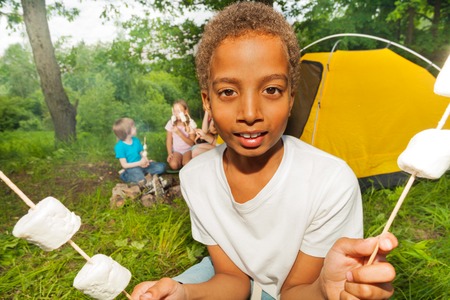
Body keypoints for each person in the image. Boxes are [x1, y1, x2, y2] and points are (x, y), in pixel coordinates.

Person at [132, 2, 398, 300]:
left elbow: (295, 293)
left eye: (271, 89)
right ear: (207, 102)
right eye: (228, 92)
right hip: (231, 281)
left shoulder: (330, 182)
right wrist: (185, 295)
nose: (249, 113)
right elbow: (233, 280)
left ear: (291, 99)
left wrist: (324, 290)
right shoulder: (196, 177)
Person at [113, 117, 166, 187]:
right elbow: (124, 165)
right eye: (133, 127)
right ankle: (124, 175)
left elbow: (141, 153)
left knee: (161, 167)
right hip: (132, 167)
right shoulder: (120, 147)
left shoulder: (135, 140)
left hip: (141, 164)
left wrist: (146, 160)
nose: (135, 128)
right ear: (127, 131)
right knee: (140, 179)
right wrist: (139, 163)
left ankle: (144, 173)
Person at [165, 100, 197, 170]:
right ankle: (179, 162)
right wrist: (170, 153)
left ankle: (184, 162)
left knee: (187, 164)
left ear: (185, 112)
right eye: (174, 111)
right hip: (177, 151)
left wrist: (179, 133)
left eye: (179, 111)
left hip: (188, 150)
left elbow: (192, 143)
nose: (176, 114)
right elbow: (169, 140)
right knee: (173, 165)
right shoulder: (171, 123)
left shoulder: (190, 124)